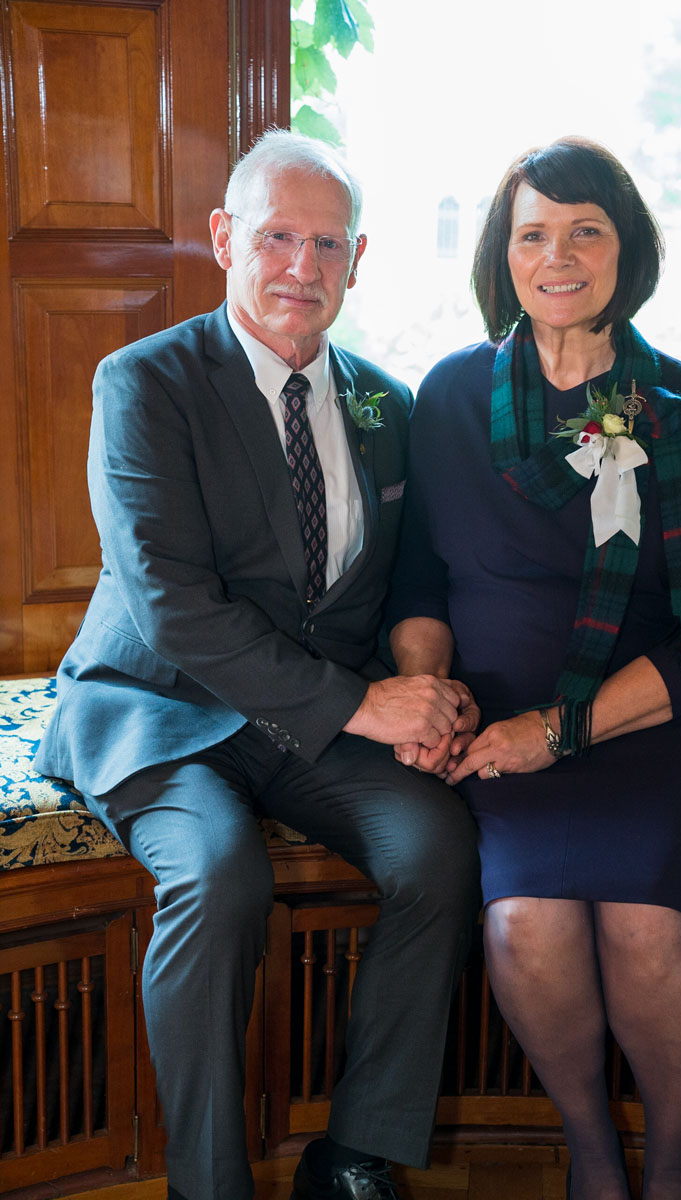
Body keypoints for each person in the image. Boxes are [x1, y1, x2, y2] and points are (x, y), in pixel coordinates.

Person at [35, 129, 480, 1200]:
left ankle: (354, 1154)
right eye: (278, 236)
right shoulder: (145, 381)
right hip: (162, 706)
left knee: (437, 849)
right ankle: (209, 1183)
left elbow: (409, 580)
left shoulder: (386, 404)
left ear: (357, 261)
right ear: (225, 237)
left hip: (309, 726)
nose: (301, 266)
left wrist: (427, 694)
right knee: (220, 874)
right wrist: (365, 707)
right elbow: (173, 608)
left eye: (327, 244)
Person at [388, 137, 681, 1200]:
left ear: (625, 249)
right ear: (501, 256)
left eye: (584, 231)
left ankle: (676, 1167)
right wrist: (432, 697)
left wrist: (558, 732)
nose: (557, 257)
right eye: (533, 234)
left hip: (665, 721)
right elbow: (420, 584)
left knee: (644, 917)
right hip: (501, 721)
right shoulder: (450, 398)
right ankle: (593, 1158)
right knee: (525, 920)